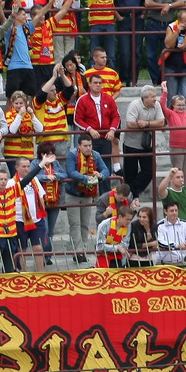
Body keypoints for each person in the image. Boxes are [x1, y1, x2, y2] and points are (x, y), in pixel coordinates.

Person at [81, 0, 139, 67]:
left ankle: (111, 74)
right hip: (95, 23)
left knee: (110, 54)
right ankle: (93, 75)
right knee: (94, 53)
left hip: (109, 23)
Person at [66, 133, 110, 263]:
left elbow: (106, 170)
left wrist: (100, 175)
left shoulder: (95, 155)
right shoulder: (72, 154)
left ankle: (83, 249)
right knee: (75, 223)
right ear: (79, 146)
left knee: (85, 223)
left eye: (90, 145)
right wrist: (86, 178)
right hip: (73, 193)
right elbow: (71, 172)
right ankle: (78, 251)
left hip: (88, 193)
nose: (88, 148)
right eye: (85, 146)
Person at [74, 74, 121, 188]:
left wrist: (112, 130)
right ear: (89, 84)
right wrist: (89, 129)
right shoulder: (83, 99)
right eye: (95, 83)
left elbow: (116, 116)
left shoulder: (108, 98)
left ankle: (106, 193)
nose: (98, 85)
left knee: (106, 167)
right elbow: (77, 119)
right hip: (89, 140)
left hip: (106, 138)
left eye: (100, 83)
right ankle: (89, 192)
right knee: (89, 166)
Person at [122, 84, 165, 198]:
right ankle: (132, 197)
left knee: (149, 171)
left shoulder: (157, 105)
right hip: (131, 144)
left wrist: (146, 123)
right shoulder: (134, 105)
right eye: (152, 97)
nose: (155, 99)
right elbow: (130, 123)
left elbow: (161, 122)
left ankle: (129, 193)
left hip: (147, 144)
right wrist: (146, 125)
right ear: (145, 98)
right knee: (130, 173)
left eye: (155, 96)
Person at [144, 0, 184, 85]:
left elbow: (181, 1)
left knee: (168, 52)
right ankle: (155, 80)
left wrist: (169, 6)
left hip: (169, 25)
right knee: (151, 54)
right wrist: (164, 6)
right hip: (153, 24)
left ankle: (164, 79)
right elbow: (147, 3)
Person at [114, 0, 148, 86]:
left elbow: (146, 1)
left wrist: (143, 15)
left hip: (138, 19)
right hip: (123, 19)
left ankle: (134, 80)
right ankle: (124, 79)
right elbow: (111, 1)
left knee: (137, 51)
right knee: (124, 51)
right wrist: (118, 17)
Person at [32, 141, 66, 265]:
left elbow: (64, 174)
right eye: (49, 154)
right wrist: (45, 177)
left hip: (54, 201)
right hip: (41, 202)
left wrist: (55, 175)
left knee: (51, 231)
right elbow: (32, 176)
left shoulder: (55, 163)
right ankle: (43, 255)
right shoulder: (35, 163)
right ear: (42, 154)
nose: (51, 156)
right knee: (45, 230)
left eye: (52, 153)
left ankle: (48, 256)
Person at [162, 9, 186, 102]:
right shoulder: (171, 27)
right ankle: (172, 111)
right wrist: (176, 32)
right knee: (172, 97)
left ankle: (178, 109)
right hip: (171, 66)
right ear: (179, 21)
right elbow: (168, 45)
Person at [4, 91, 43, 175]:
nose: (19, 106)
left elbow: (40, 129)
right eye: (16, 103)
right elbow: (12, 130)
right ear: (12, 103)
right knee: (16, 178)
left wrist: (32, 115)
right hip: (12, 154)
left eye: (21, 103)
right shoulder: (8, 114)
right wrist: (20, 115)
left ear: (25, 103)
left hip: (28, 154)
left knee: (28, 178)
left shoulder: (29, 115)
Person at [155, 201, 186, 266]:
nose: (174, 213)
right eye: (172, 211)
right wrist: (176, 246)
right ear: (165, 211)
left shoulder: (184, 224)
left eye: (176, 210)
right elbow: (160, 242)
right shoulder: (160, 225)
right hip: (164, 263)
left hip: (180, 262)